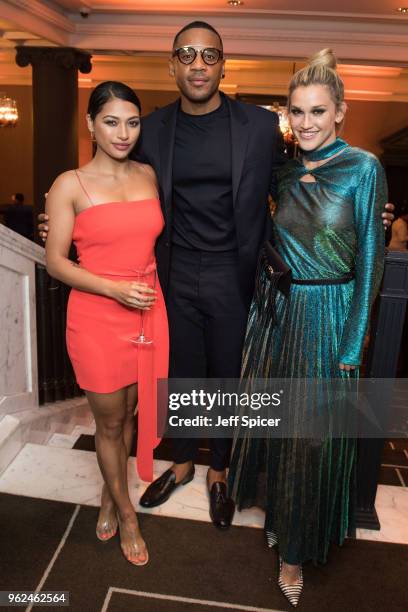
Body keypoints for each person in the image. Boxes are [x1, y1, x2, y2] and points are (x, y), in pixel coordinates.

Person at [38, 21, 394, 531]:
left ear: (223, 65)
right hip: (171, 271)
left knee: (227, 375)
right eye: (187, 54)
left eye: (209, 55)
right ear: (173, 66)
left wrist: (369, 209)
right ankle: (182, 462)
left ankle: (220, 471)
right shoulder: (152, 128)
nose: (198, 64)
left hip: (236, 270)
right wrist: (60, 218)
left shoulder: (257, 125)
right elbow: (109, 181)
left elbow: (299, 180)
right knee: (182, 371)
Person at [228, 49, 387, 607]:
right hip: (275, 315)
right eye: (297, 112)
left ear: (340, 111)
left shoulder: (364, 168)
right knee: (278, 430)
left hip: (327, 320)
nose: (307, 123)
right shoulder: (286, 167)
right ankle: (285, 524)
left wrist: (353, 339)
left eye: (318, 111)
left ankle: (294, 551)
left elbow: (371, 257)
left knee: (311, 442)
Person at [44, 81, 168, 566]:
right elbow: (56, 261)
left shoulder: (149, 175)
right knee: (109, 420)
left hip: (148, 310)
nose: (123, 132)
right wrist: (114, 288)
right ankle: (128, 514)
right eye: (112, 121)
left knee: (132, 413)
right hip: (98, 315)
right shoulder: (69, 183)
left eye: (133, 122)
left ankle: (108, 491)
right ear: (91, 125)